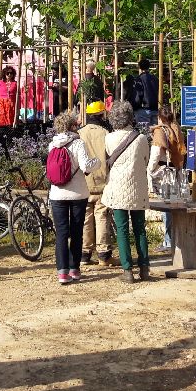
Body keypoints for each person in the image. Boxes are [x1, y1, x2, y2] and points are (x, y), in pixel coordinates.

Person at [101, 100, 155, 283]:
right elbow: (146, 160)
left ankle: (127, 271)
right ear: (130, 117)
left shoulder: (108, 138)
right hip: (137, 187)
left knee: (122, 230)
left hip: (117, 189)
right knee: (140, 229)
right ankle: (145, 268)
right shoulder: (140, 139)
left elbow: (107, 158)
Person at [48, 111, 99, 283]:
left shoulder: (52, 145)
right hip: (78, 193)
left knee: (61, 233)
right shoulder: (78, 143)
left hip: (57, 193)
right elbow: (86, 166)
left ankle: (62, 273)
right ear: (72, 126)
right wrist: (97, 162)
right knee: (77, 231)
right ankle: (74, 269)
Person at [78, 101, 118, 266]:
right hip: (102, 183)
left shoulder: (79, 133)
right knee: (101, 217)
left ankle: (85, 254)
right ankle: (103, 254)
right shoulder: (106, 134)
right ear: (102, 115)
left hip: (83, 183)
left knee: (85, 219)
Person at [150, 105, 184, 250]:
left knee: (166, 207)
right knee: (173, 205)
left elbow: (157, 152)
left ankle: (168, 241)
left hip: (164, 172)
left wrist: (150, 169)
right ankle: (173, 238)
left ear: (159, 117)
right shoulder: (175, 128)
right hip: (176, 169)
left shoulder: (161, 131)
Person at [134, 59, 159, 126]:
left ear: (139, 67)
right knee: (155, 132)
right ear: (149, 66)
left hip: (144, 109)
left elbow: (139, 94)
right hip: (155, 109)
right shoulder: (155, 78)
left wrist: (135, 107)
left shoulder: (139, 79)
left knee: (145, 133)